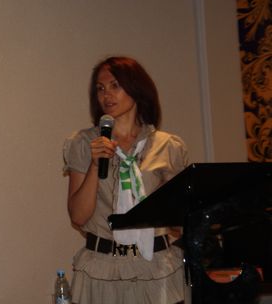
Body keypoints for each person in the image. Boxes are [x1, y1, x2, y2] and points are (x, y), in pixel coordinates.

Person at [63, 56, 188, 304]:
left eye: (115, 85)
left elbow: (178, 221)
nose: (106, 95)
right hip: (103, 267)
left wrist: (173, 204)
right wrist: (95, 164)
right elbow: (78, 217)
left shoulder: (167, 146)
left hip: (156, 266)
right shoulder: (84, 143)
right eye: (100, 88)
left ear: (136, 88)